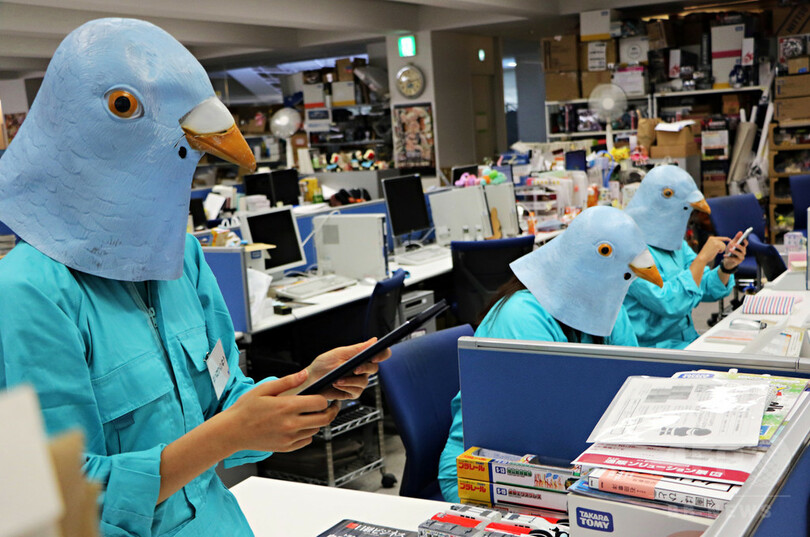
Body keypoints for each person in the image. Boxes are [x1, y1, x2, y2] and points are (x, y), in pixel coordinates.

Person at [0, 19, 387, 537]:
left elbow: (225, 400)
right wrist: (228, 436)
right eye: (123, 105)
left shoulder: (181, 258)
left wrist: (302, 388)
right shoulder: (27, 293)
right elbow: (58, 499)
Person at [437, 206, 663, 502]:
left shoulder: (608, 308)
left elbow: (632, 386)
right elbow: (548, 422)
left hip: (564, 457)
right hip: (487, 471)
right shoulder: (521, 317)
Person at [623, 165, 748, 349]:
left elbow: (703, 286)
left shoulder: (674, 243)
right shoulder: (628, 250)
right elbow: (669, 303)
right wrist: (702, 258)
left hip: (686, 341)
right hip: (654, 350)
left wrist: (726, 267)